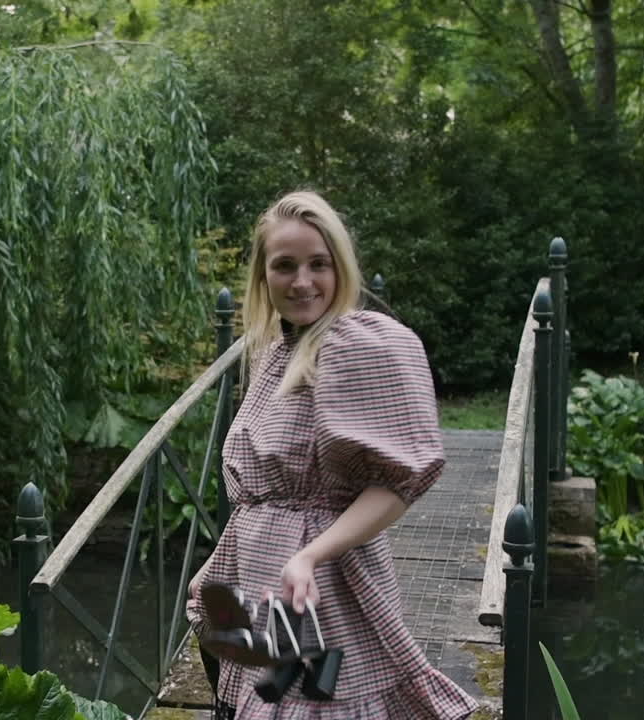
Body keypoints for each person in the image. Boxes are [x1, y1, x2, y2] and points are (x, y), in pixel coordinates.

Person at [186, 191, 479, 719]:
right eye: (285, 266)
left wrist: (310, 555)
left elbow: (396, 485)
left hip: (318, 583)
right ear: (263, 275)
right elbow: (265, 496)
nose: (302, 281)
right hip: (259, 573)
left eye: (318, 264)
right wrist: (218, 564)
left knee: (312, 704)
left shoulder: (360, 345)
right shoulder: (275, 349)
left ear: (340, 266)